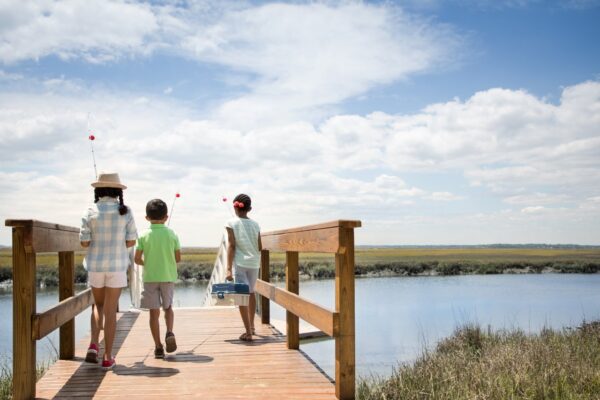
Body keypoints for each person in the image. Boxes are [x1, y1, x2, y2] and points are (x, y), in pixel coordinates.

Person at [80, 172, 138, 370]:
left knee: (97, 305)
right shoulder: (126, 211)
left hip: (95, 266)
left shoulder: (89, 211)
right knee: (111, 310)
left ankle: (93, 345)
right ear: (117, 191)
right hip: (117, 266)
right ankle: (107, 357)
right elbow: (131, 241)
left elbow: (84, 242)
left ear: (98, 190)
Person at [134, 199, 181, 358]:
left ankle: (158, 346)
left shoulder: (143, 235)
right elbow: (178, 258)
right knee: (168, 308)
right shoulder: (172, 233)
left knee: (153, 313)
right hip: (168, 277)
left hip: (150, 278)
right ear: (166, 217)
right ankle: (169, 332)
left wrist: (147, 263)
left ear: (147, 217)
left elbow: (137, 259)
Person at [225, 193, 262, 342]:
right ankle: (252, 326)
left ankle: (248, 332)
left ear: (235, 207)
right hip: (254, 263)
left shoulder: (231, 223)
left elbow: (232, 245)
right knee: (251, 292)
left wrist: (228, 268)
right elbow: (260, 246)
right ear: (250, 209)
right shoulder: (256, 224)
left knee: (242, 297)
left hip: (240, 263)